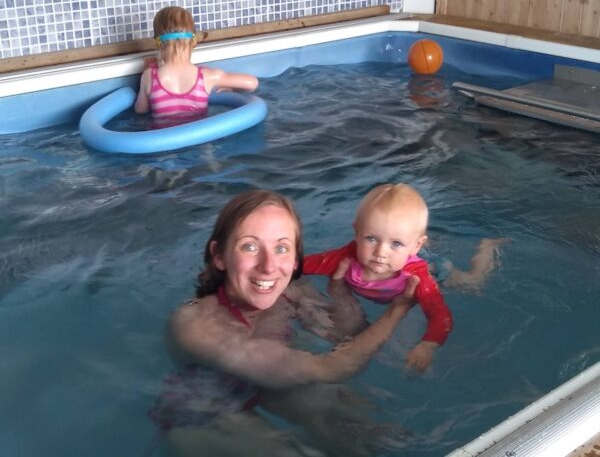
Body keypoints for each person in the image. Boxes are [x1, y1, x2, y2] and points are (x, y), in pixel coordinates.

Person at [157, 189, 419, 456]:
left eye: (281, 248)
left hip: (269, 385)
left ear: (295, 260)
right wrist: (397, 311)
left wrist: (340, 294)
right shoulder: (195, 324)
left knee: (352, 423)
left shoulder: (292, 291)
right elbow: (332, 367)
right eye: (249, 246)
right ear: (219, 255)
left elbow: (346, 337)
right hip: (204, 411)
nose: (269, 266)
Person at [303, 183, 507, 372]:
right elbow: (299, 265)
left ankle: (487, 246)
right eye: (371, 239)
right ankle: (412, 241)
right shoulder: (345, 257)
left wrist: (427, 345)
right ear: (356, 233)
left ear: (414, 247)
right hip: (407, 257)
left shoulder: (418, 277)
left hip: (434, 269)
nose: (380, 252)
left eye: (395, 244)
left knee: (472, 284)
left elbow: (440, 315)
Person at [134, 6, 258, 125]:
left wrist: (148, 70)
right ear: (193, 41)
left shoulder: (149, 76)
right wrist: (231, 88)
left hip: (162, 144)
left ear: (158, 43)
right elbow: (252, 83)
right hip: (201, 142)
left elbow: (141, 110)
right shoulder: (206, 76)